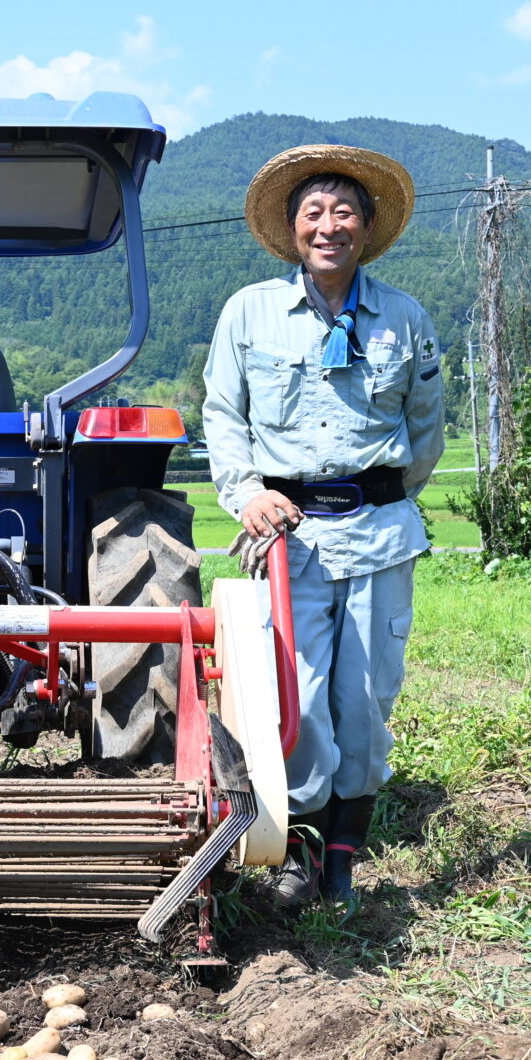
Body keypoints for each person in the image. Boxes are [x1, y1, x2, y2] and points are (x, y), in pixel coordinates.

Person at [200, 147, 445, 913]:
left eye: (344, 213)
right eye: (314, 213)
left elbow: (426, 431)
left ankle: (345, 855)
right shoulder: (249, 312)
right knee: (294, 698)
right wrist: (247, 493)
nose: (329, 226)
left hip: (377, 533)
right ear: (292, 228)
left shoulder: (404, 318)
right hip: (289, 540)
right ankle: (296, 852)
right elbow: (223, 416)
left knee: (365, 699)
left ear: (368, 229)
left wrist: (379, 498)